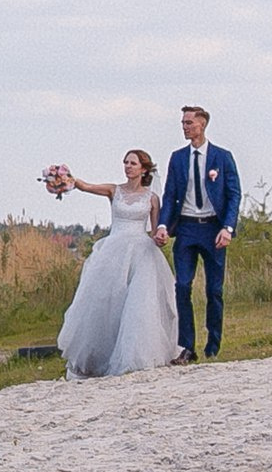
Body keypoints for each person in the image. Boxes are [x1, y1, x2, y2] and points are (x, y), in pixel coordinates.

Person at [52, 150, 181, 377]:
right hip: (114, 250)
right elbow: (87, 186)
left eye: (133, 163)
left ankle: (135, 355)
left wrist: (161, 238)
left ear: (143, 169)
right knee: (106, 303)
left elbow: (155, 230)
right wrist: (67, 179)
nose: (128, 166)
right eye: (126, 162)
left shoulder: (151, 198)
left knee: (139, 304)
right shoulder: (114, 190)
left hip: (141, 252)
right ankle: (100, 356)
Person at [153, 105, 241, 362]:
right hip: (187, 227)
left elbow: (234, 194)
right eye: (183, 123)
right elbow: (170, 194)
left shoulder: (222, 157)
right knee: (182, 285)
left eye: (189, 122)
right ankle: (187, 347)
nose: (185, 127)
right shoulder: (178, 158)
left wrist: (227, 227)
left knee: (214, 290)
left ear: (202, 124)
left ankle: (213, 346)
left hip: (214, 228)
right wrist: (162, 226)